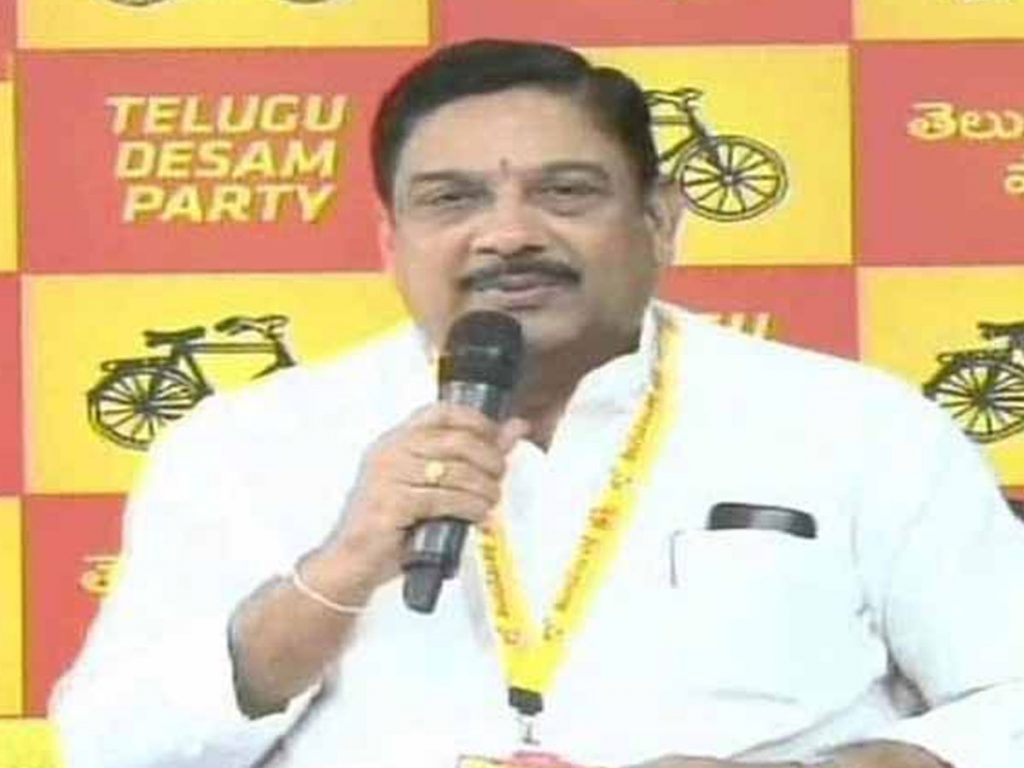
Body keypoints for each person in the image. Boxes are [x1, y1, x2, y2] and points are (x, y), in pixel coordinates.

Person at [51, 40, 1024, 768]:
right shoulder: (247, 444)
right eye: (451, 199)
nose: (507, 234)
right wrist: (339, 571)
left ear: (660, 220)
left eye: (565, 192)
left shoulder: (853, 426)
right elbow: (113, 747)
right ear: (390, 243)